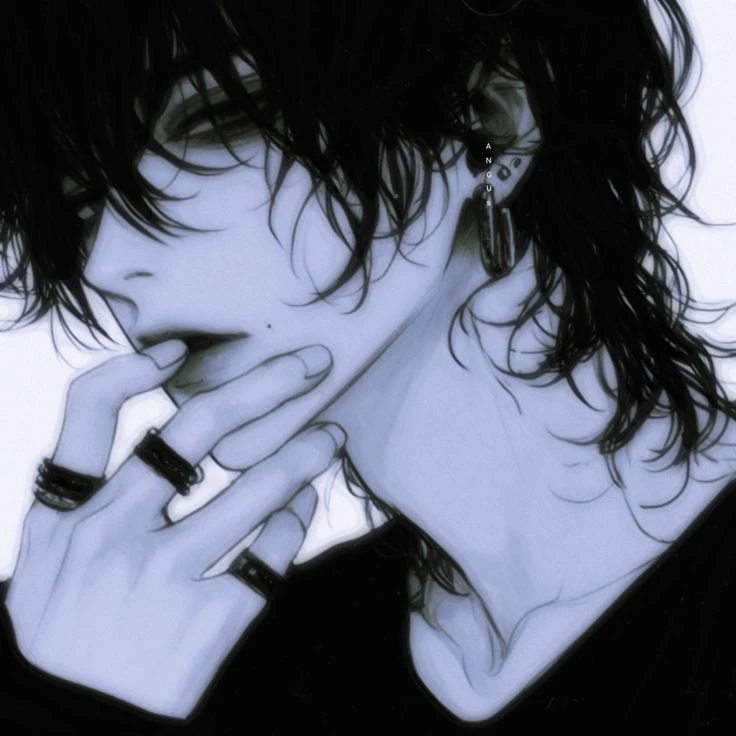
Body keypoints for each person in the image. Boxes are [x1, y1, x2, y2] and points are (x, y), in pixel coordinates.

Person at [1, 0, 736, 731]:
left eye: (213, 121)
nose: (105, 263)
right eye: (81, 206)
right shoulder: (181, 655)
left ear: (491, 118)